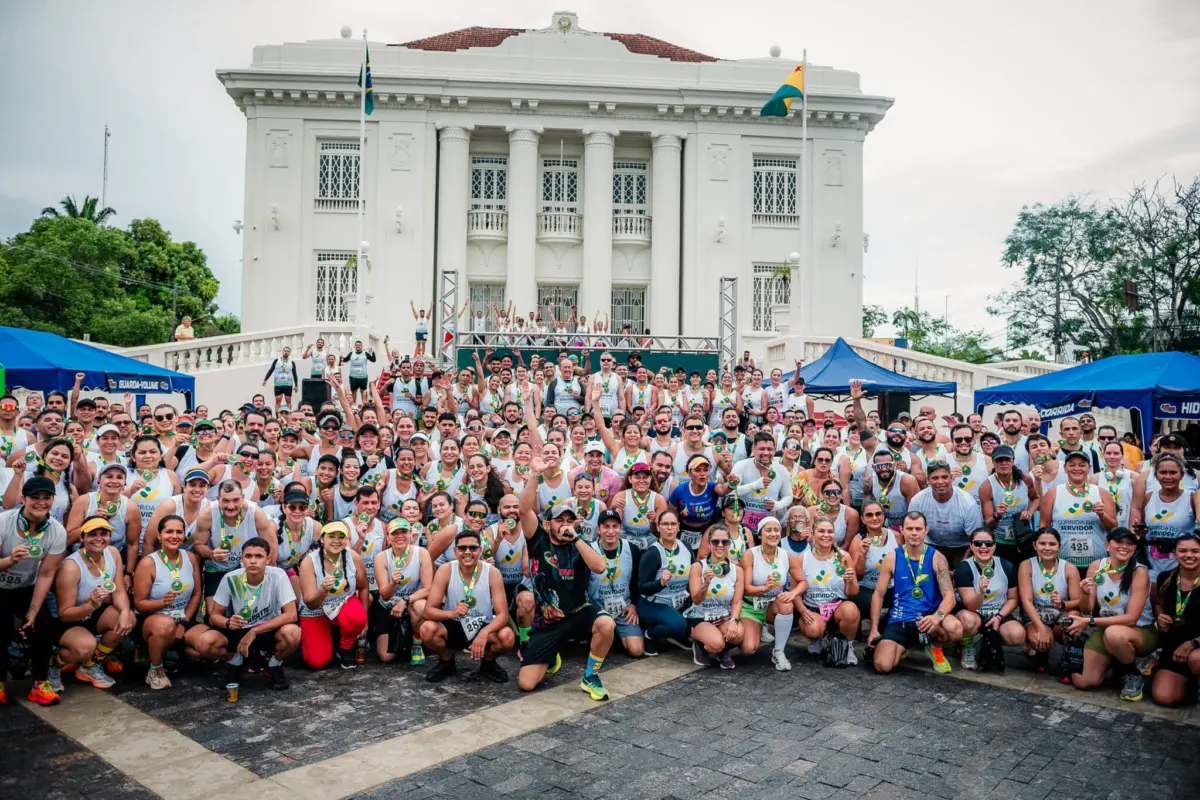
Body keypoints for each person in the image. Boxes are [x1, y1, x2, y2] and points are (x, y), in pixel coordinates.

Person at [517, 459, 614, 699]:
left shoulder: (581, 545)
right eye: (560, 520)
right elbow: (523, 511)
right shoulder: (538, 539)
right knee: (526, 684)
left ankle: (590, 676)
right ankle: (550, 654)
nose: (565, 525)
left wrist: (576, 539)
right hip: (548, 620)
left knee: (606, 625)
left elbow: (600, 567)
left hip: (579, 612)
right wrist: (535, 475)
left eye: (570, 520)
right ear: (548, 523)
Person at [202, 537, 302, 701]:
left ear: (268, 559)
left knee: (293, 632)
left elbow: (291, 614)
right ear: (241, 558)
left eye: (259, 556)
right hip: (239, 629)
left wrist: (254, 631)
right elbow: (214, 616)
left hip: (268, 628)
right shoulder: (230, 578)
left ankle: (274, 664)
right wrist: (228, 622)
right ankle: (236, 661)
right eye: (248, 556)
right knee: (205, 642)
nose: (253, 561)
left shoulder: (278, 575)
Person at [1064, 527, 1156, 701]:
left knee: (1114, 634)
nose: (1124, 546)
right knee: (1082, 681)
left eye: (1129, 543)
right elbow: (1086, 609)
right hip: (1104, 627)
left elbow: (1131, 619)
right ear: (1107, 545)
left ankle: (1133, 674)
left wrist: (1089, 621)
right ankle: (1116, 661)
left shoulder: (1139, 572)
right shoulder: (1096, 566)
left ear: (1134, 549)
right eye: (1119, 542)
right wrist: (1084, 593)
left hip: (1138, 630)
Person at [48, 516, 136, 694]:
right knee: (84, 648)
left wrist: (126, 612)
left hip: (94, 613)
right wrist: (91, 605)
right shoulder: (71, 567)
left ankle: (90, 666)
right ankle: (53, 665)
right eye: (92, 534)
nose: (98, 538)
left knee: (128, 620)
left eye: (103, 533)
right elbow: (64, 614)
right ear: (82, 538)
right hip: (70, 620)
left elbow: (118, 590)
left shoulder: (113, 553)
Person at [0, 477, 68, 705]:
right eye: (35, 497)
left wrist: (33, 609)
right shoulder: (4, 522)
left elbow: (46, 573)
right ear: (23, 499)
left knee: (43, 624)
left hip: (25, 587)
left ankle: (40, 683)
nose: (41, 502)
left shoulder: (56, 531)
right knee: (1, 626)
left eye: (46, 497)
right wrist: (9, 561)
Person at [869, 511, 963, 675]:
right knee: (882, 666)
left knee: (955, 628)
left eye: (918, 529)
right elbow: (878, 594)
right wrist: (874, 629)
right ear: (902, 530)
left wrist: (937, 616)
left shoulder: (937, 557)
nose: (913, 533)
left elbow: (949, 596)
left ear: (926, 530)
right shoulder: (892, 557)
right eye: (909, 528)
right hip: (901, 618)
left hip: (928, 620)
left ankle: (935, 647)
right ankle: (903, 646)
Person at [420, 529, 514, 684]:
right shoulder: (446, 570)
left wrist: (484, 632)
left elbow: (503, 614)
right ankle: (446, 661)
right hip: (455, 624)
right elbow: (428, 611)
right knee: (427, 629)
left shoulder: (492, 572)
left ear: (481, 549)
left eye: (473, 548)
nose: (468, 552)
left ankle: (488, 663)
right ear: (455, 551)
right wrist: (451, 614)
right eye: (462, 548)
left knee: (507, 636)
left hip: (482, 624)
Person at [133, 513, 209, 690]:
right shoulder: (148, 563)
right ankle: (155, 670)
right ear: (159, 535)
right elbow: (139, 603)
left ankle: (173, 655)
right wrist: (162, 602)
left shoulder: (190, 557)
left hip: (183, 617)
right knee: (165, 626)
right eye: (169, 532)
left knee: (211, 643)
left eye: (179, 532)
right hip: (154, 619)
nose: (174, 536)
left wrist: (183, 622)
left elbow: (197, 594)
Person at [298, 521, 370, 669]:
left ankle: (346, 647)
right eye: (331, 536)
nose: (337, 541)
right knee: (317, 662)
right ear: (322, 539)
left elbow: (363, 587)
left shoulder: (353, 557)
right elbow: (310, 603)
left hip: (343, 603)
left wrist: (365, 620)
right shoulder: (309, 562)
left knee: (357, 617)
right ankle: (327, 639)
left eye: (341, 536)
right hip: (316, 610)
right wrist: (323, 590)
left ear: (346, 540)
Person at [952, 528, 1024, 671]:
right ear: (971, 546)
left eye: (988, 544)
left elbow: (1013, 598)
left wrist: (999, 617)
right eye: (978, 543)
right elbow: (971, 605)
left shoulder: (1006, 566)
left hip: (997, 612)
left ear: (994, 546)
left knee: (1017, 635)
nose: (983, 547)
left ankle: (990, 639)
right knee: (968, 621)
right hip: (972, 612)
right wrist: (980, 592)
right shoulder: (963, 568)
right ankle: (967, 645)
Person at [739, 517, 804, 671]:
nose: (773, 534)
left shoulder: (785, 555)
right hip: (751, 607)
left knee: (787, 604)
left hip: (772, 606)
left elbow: (803, 581)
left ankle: (778, 651)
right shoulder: (750, 554)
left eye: (776, 530)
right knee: (748, 649)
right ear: (760, 534)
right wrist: (764, 587)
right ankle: (757, 628)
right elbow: (745, 588)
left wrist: (792, 593)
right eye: (768, 530)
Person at [1018, 527, 1083, 673]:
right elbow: (1026, 601)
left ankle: (1068, 659)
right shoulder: (1026, 565)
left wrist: (1063, 603)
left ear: (1059, 546)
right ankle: (1041, 655)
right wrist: (1041, 628)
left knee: (1073, 620)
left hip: (1060, 615)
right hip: (1036, 616)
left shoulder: (1069, 568)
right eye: (1042, 544)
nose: (1047, 548)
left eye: (1052, 544)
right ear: (1035, 545)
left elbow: (1079, 601)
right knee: (1038, 638)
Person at [796, 517, 860, 662]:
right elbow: (795, 591)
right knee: (813, 629)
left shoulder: (844, 557)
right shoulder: (803, 558)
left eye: (830, 531)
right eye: (821, 531)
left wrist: (850, 581)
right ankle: (817, 640)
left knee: (851, 610)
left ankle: (847, 646)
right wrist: (802, 611)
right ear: (813, 533)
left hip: (837, 607)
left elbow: (853, 592)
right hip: (813, 607)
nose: (826, 535)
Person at [1039, 451, 1116, 571]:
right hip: (1063, 562)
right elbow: (1044, 526)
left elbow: (1112, 526)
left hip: (1096, 562)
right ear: (1064, 468)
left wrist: (1102, 515)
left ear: (1089, 468)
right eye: (1072, 465)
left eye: (1082, 465)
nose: (1077, 468)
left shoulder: (1102, 493)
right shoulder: (1053, 494)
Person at [685, 522, 745, 669]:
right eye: (715, 541)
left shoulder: (737, 571)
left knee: (738, 634)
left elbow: (737, 602)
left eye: (724, 541)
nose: (720, 545)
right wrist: (706, 584)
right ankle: (700, 645)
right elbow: (696, 600)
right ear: (709, 544)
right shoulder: (698, 567)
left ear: (729, 544)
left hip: (723, 616)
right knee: (716, 643)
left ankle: (722, 650)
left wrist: (734, 620)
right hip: (701, 616)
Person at [1150, 533, 1200, 706]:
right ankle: (1191, 684)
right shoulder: (1166, 577)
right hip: (1174, 646)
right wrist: (1160, 616)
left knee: (1196, 659)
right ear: (1175, 554)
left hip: (1195, 645)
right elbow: (1159, 603)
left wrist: (1192, 643)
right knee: (1165, 697)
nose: (1189, 555)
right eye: (1183, 550)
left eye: (1195, 551)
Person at [374, 518, 433, 664]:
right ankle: (405, 637)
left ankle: (416, 644)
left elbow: (428, 588)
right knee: (386, 657)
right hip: (388, 607)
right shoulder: (381, 558)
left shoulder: (422, 553)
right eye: (395, 533)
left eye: (404, 532)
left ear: (410, 534)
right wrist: (393, 582)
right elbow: (385, 595)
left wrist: (405, 601)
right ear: (388, 537)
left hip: (412, 603)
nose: (400, 536)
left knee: (421, 606)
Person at [1131, 453, 1198, 581]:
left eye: (1173, 472)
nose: (1168, 477)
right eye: (1163, 472)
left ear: (1182, 475)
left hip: (1180, 562)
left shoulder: (1191, 498)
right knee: (1153, 598)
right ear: (1156, 476)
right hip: (1152, 561)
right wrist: (1141, 532)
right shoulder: (1148, 497)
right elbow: (1144, 526)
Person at [587, 510, 644, 657]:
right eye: (606, 527)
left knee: (636, 650)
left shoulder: (632, 549)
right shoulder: (589, 551)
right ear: (598, 529)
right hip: (597, 608)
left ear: (621, 528)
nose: (611, 531)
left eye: (615, 526)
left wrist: (634, 604)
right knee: (598, 648)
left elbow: (639, 580)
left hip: (623, 607)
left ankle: (616, 636)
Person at [907, 461, 984, 568]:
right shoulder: (918, 500)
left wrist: (961, 568)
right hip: (930, 545)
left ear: (951, 478)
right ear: (928, 480)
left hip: (962, 547)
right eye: (935, 478)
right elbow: (911, 532)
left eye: (944, 477)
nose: (940, 482)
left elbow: (975, 540)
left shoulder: (967, 503)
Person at [978, 445, 1037, 566]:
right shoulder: (987, 486)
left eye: (1007, 460)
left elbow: (1036, 499)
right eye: (999, 460)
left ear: (1013, 461)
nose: (1003, 463)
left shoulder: (1024, 478)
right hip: (1001, 541)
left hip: (1024, 537)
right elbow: (988, 523)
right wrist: (997, 516)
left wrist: (1030, 512)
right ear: (993, 462)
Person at [262, 346, 300, 414]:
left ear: (290, 353)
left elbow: (294, 374)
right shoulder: (277, 361)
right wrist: (265, 379)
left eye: (288, 351)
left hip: (288, 384)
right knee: (278, 401)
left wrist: (296, 385)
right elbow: (271, 370)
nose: (286, 352)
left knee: (288, 401)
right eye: (285, 351)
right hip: (278, 384)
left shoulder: (292, 362)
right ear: (282, 352)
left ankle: (288, 415)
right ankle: (277, 416)